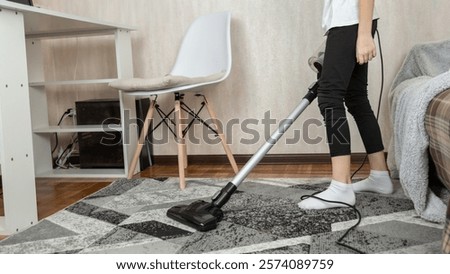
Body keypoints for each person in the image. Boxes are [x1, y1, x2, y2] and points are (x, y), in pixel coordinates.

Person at [298, 0, 394, 210]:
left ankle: (341, 187)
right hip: (350, 22)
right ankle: (380, 175)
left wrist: (364, 34)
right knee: (357, 98)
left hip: (351, 21)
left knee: (329, 96)